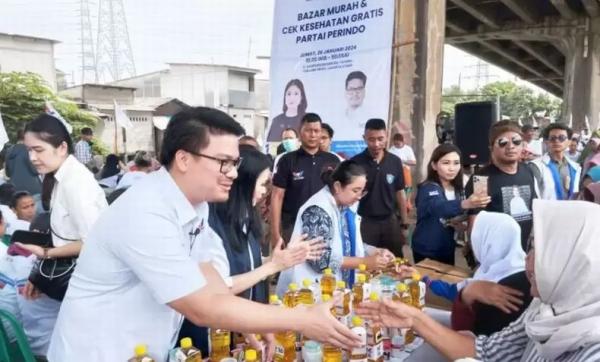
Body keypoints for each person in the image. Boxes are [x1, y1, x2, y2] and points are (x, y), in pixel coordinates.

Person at [46, 107, 360, 361]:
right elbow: (201, 307)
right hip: (98, 352)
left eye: (234, 162)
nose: (234, 174)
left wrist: (254, 321)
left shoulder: (196, 205)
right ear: (183, 159)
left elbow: (209, 278)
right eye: (223, 162)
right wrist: (301, 318)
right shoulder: (145, 212)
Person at [357, 200, 600, 362]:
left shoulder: (592, 351)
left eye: (540, 249)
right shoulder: (543, 309)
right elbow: (487, 352)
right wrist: (415, 319)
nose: (528, 258)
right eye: (530, 246)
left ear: (575, 262)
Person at [178, 144, 324, 358]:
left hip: (242, 327)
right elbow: (220, 287)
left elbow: (246, 266)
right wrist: (274, 266)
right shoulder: (211, 226)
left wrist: (274, 259)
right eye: (263, 184)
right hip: (215, 333)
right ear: (244, 183)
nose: (266, 192)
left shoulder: (245, 221)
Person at [12, 114, 108, 356]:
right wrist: (40, 275)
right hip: (76, 282)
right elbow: (64, 235)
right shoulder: (60, 178)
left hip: (91, 285)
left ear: (62, 147)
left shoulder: (76, 183)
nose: (33, 158)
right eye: (29, 151)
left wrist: (46, 253)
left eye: (39, 150)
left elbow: (93, 242)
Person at [277, 160, 395, 296]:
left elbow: (342, 242)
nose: (359, 197)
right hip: (309, 289)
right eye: (355, 191)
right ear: (338, 186)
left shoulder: (345, 207)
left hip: (332, 287)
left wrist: (372, 251)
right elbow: (319, 260)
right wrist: (363, 262)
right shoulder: (317, 210)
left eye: (362, 192)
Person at [450, 211, 532, 336]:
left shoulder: (492, 290)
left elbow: (464, 334)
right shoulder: (528, 274)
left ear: (486, 240)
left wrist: (467, 294)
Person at [412, 144, 490, 264]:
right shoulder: (428, 188)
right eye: (446, 163)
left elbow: (452, 215)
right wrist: (465, 204)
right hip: (427, 248)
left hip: (447, 246)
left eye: (456, 163)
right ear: (434, 165)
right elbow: (438, 207)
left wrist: (462, 222)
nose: (452, 168)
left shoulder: (458, 188)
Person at [271, 113, 341, 245]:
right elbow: (277, 196)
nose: (313, 135)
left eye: (317, 131)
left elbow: (340, 195)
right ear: (300, 131)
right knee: (293, 265)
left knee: (326, 265)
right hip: (293, 227)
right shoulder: (287, 160)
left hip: (326, 226)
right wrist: (275, 233)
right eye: (308, 130)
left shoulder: (333, 161)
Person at [466, 120, 536, 250]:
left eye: (516, 141)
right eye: (503, 142)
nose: (511, 147)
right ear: (491, 147)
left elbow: (534, 208)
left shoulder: (528, 171)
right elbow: (475, 225)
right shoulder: (481, 179)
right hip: (495, 256)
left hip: (524, 253)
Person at [351, 118, 409, 257]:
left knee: (395, 262)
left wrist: (404, 223)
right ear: (364, 138)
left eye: (380, 139)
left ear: (387, 136)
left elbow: (400, 192)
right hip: (365, 222)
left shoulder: (395, 162)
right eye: (371, 139)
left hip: (390, 221)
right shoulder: (355, 163)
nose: (376, 144)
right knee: (366, 263)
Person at [532, 123, 581, 200]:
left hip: (571, 210)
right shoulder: (536, 166)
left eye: (561, 138)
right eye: (552, 138)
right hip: (546, 210)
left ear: (569, 142)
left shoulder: (575, 167)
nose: (557, 141)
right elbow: (534, 195)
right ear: (547, 142)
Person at [5, 129, 42, 196]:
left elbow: (8, 174)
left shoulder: (9, 151)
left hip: (14, 190)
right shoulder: (29, 150)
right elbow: (35, 170)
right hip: (32, 189)